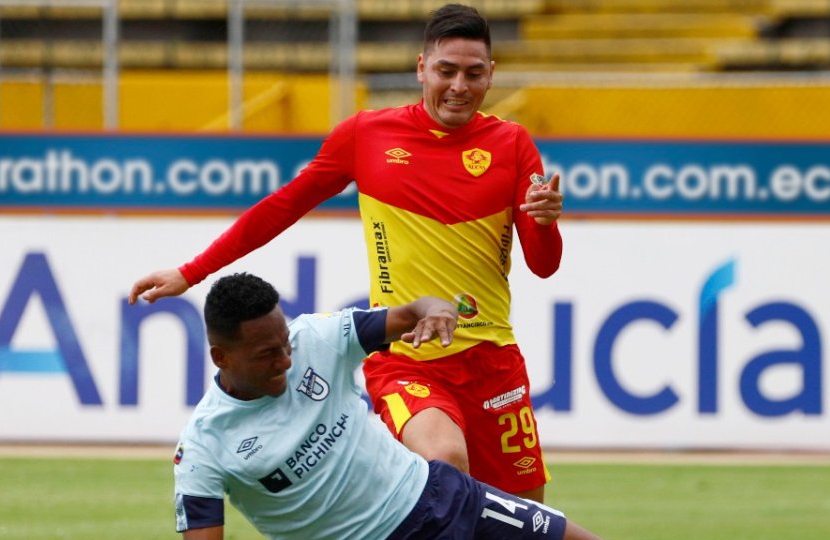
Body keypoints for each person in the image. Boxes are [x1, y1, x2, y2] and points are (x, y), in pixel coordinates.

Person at [131, 3, 563, 504]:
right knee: (445, 459)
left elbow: (543, 263)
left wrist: (546, 223)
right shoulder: (367, 136)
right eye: (446, 71)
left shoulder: (511, 144)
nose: (459, 86)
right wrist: (192, 271)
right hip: (407, 358)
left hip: (492, 358)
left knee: (525, 521)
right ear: (422, 67)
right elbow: (281, 207)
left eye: (473, 73)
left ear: (491, 76)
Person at [174, 272, 642, 540]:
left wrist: (433, 309)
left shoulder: (314, 338)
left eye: (283, 343)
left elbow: (408, 312)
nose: (285, 360)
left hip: (449, 499)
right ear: (221, 358)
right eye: (266, 355)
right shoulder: (205, 446)